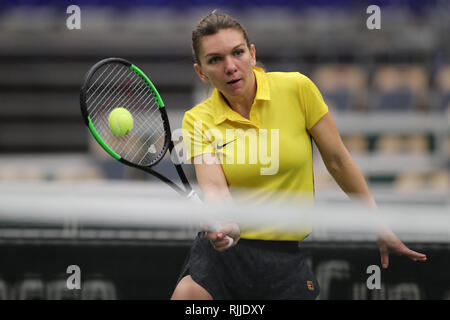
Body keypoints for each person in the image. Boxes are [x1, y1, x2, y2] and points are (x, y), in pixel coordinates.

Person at [170, 11, 427, 300]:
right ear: (201, 72)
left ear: (252, 54)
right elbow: (214, 187)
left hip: (282, 258)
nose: (230, 66)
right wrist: (225, 220)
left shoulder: (297, 89)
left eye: (237, 52)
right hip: (221, 259)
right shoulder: (196, 120)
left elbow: (338, 161)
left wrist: (377, 223)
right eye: (215, 59)